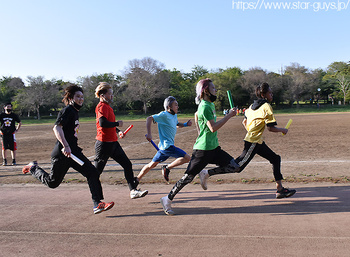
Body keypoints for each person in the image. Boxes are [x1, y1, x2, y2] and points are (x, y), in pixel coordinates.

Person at [22, 84, 114, 214]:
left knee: (92, 173)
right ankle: (32, 168)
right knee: (53, 183)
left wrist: (70, 147)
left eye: (82, 97)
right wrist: (65, 146)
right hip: (62, 153)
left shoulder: (75, 112)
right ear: (71, 98)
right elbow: (57, 128)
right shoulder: (67, 110)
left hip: (74, 153)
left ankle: (97, 203)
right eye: (78, 96)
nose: (81, 99)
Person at [199, 82, 296, 199]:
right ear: (264, 95)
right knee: (238, 167)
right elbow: (270, 128)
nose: (272, 95)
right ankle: (207, 173)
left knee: (275, 159)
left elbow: (244, 122)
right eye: (270, 92)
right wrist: (283, 130)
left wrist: (251, 131)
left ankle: (280, 189)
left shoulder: (251, 107)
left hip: (257, 141)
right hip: (253, 142)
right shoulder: (266, 107)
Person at [160, 78, 240, 215]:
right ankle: (167, 199)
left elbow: (196, 116)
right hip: (202, 150)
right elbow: (213, 128)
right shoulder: (205, 106)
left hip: (214, 148)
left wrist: (199, 131)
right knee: (188, 178)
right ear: (206, 91)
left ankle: (206, 173)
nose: (215, 90)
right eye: (213, 88)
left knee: (235, 167)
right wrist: (229, 116)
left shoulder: (209, 105)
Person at [94, 82, 148, 199]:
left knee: (127, 165)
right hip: (104, 145)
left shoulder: (108, 107)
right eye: (110, 94)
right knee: (95, 173)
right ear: (103, 95)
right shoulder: (101, 107)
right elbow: (102, 123)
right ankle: (96, 199)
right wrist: (117, 123)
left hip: (113, 143)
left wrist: (118, 131)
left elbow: (110, 125)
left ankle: (133, 191)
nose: (112, 96)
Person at [136, 96, 192, 184]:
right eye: (175, 105)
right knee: (187, 158)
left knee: (152, 164)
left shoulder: (174, 115)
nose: (177, 106)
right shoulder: (164, 114)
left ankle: (137, 179)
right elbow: (149, 118)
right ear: (169, 107)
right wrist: (149, 133)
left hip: (162, 148)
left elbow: (176, 124)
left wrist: (185, 124)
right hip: (167, 147)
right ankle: (167, 168)